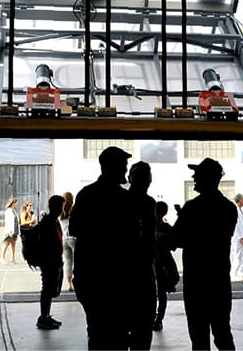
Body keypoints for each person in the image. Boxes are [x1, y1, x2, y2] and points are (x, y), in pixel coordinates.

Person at [69, 146, 138, 350]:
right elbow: (133, 234)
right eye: (123, 166)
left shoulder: (86, 195)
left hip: (91, 277)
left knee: (97, 332)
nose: (125, 170)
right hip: (117, 278)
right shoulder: (124, 199)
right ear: (111, 167)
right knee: (118, 334)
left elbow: (75, 228)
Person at [173, 158, 237, 350]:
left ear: (207, 179)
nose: (193, 177)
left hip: (196, 281)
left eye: (197, 174)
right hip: (219, 279)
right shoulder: (228, 208)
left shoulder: (191, 208)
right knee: (223, 332)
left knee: (199, 337)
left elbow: (177, 240)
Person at [127, 161, 157, 350]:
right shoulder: (148, 203)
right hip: (143, 268)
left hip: (124, 269)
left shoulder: (121, 200)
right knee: (144, 325)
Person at [36, 195, 66, 330]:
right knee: (47, 289)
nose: (61, 210)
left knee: (49, 289)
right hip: (50, 262)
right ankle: (43, 317)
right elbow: (47, 244)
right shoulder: (48, 222)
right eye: (60, 207)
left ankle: (46, 316)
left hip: (53, 261)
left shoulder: (52, 221)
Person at [153, 201, 179, 332]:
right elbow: (175, 244)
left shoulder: (147, 226)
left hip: (152, 261)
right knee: (161, 293)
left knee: (152, 292)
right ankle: (158, 319)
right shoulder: (166, 228)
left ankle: (153, 318)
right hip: (164, 262)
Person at [229, 194, 243, 282]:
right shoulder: (235, 210)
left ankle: (241, 272)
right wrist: (241, 237)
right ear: (240, 200)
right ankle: (233, 273)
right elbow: (236, 225)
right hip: (239, 237)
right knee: (238, 256)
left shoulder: (240, 210)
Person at [60, 191, 76, 292]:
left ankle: (69, 284)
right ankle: (77, 281)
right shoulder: (74, 210)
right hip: (74, 239)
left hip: (64, 239)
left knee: (68, 262)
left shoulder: (60, 211)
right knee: (78, 261)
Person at [2, 198, 20, 264]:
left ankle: (12, 258)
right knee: (6, 244)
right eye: (16, 203)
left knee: (13, 244)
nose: (16, 205)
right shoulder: (8, 211)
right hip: (10, 231)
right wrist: (9, 231)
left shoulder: (14, 211)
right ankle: (2, 258)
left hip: (15, 230)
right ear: (12, 203)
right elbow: (8, 222)